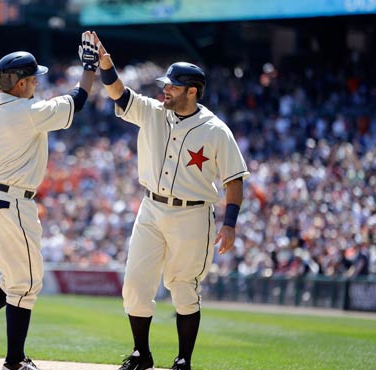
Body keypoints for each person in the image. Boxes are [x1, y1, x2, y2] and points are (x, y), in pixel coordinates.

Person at [0, 32, 99, 370]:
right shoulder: (29, 110)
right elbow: (77, 100)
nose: (36, 82)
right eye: (33, 78)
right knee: (27, 283)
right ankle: (14, 361)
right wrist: (89, 68)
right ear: (21, 83)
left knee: (14, 281)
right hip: (13, 203)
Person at [94, 34, 249, 370]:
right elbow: (118, 94)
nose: (165, 90)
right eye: (166, 84)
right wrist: (106, 65)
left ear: (192, 91)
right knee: (134, 285)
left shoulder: (215, 130)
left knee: (182, 288)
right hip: (151, 208)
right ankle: (141, 354)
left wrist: (229, 224)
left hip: (192, 215)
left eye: (173, 86)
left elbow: (233, 180)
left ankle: (183, 360)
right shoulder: (152, 111)